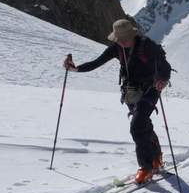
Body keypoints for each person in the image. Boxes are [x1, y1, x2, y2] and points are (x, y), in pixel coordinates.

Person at [63, 18, 172, 184]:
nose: (121, 42)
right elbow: (96, 62)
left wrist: (163, 80)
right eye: (119, 40)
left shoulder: (148, 46)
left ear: (132, 35)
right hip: (130, 91)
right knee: (143, 123)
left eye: (124, 39)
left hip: (150, 90)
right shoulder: (117, 48)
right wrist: (75, 68)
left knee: (137, 126)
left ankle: (146, 167)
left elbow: (165, 66)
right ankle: (156, 156)